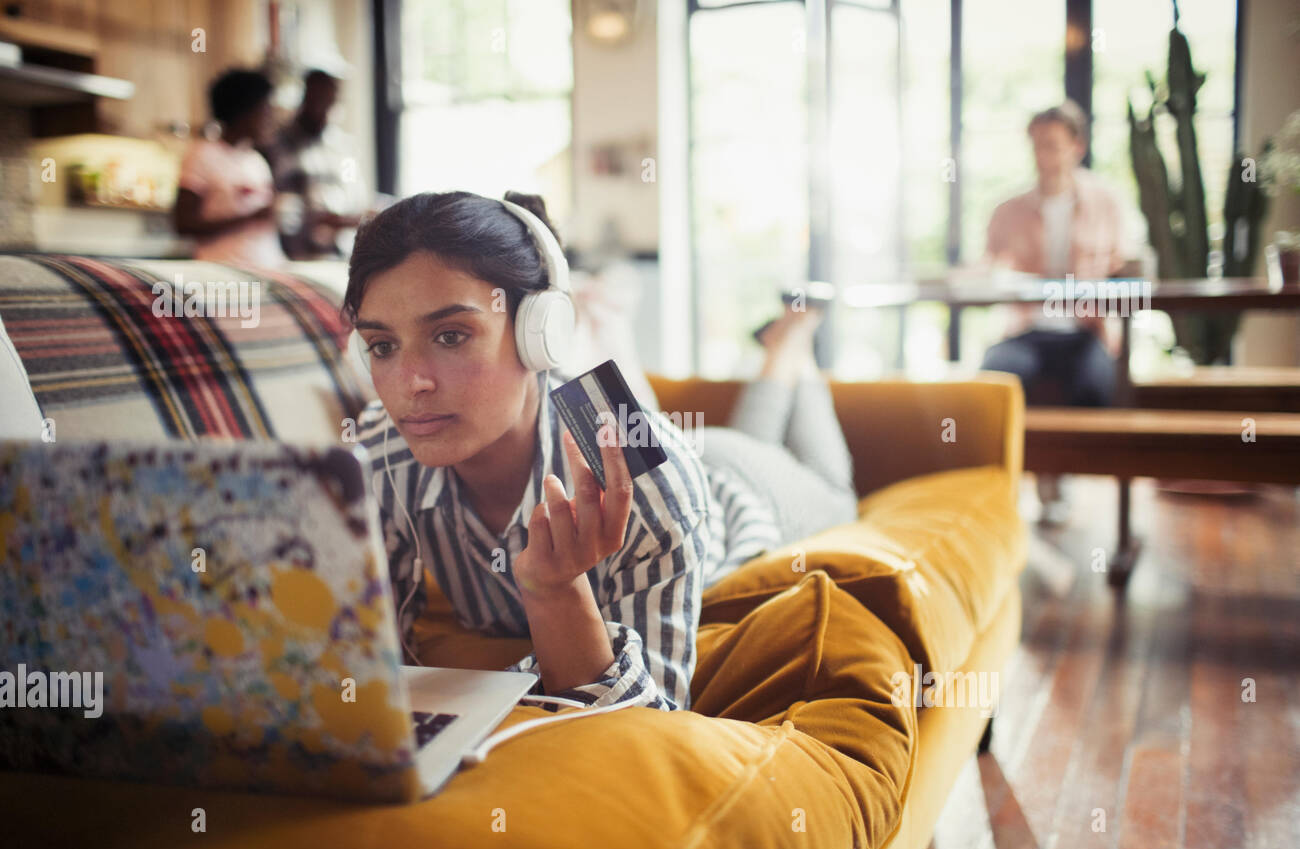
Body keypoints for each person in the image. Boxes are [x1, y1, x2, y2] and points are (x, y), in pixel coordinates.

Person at [346, 190, 858, 712]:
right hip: (699, 455)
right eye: (383, 346)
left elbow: (647, 728)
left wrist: (557, 592)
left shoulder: (643, 467)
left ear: (539, 333)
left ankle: (791, 345)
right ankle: (783, 350)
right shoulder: (378, 451)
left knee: (833, 487)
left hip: (745, 492)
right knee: (756, 434)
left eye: (451, 336)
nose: (411, 385)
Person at [979, 99, 1143, 520]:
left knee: (1093, 386)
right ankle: (1002, 490)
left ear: (1077, 146)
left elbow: (1127, 268)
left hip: (1086, 333)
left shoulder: (1108, 203)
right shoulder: (1008, 210)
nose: (1043, 157)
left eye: (1052, 145)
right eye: (1036, 146)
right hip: (1027, 331)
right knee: (995, 383)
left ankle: (1058, 479)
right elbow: (986, 271)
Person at [174, 69, 286, 268]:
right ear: (244, 110)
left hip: (268, 270)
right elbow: (183, 224)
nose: (271, 119)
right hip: (223, 276)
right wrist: (249, 218)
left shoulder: (257, 161)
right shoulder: (201, 155)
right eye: (266, 110)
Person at [263, 66, 373, 260]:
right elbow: (276, 204)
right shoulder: (276, 145)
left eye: (329, 98)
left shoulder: (344, 147)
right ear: (305, 95)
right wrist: (317, 218)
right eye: (317, 96)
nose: (323, 104)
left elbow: (355, 195)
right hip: (294, 254)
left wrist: (351, 219)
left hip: (340, 253)